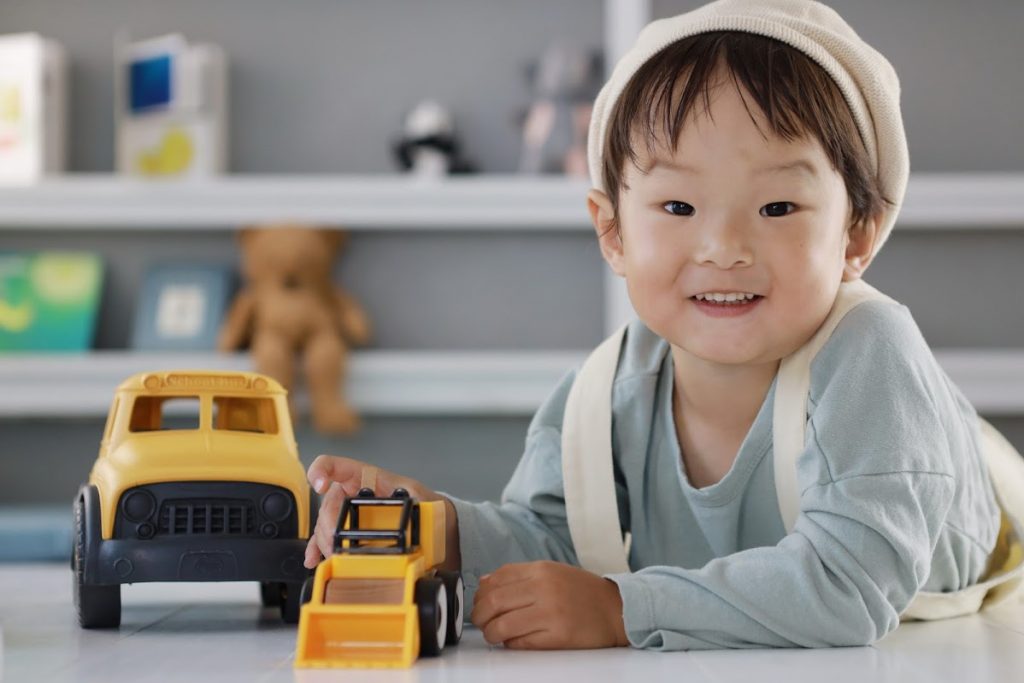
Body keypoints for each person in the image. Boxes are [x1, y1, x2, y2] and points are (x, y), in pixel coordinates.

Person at [303, 0, 1007, 651]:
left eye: (777, 208)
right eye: (677, 208)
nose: (723, 247)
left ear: (857, 233)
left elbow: (847, 585)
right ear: (612, 232)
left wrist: (621, 608)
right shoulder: (604, 393)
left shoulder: (870, 352)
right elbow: (553, 540)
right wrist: (443, 528)